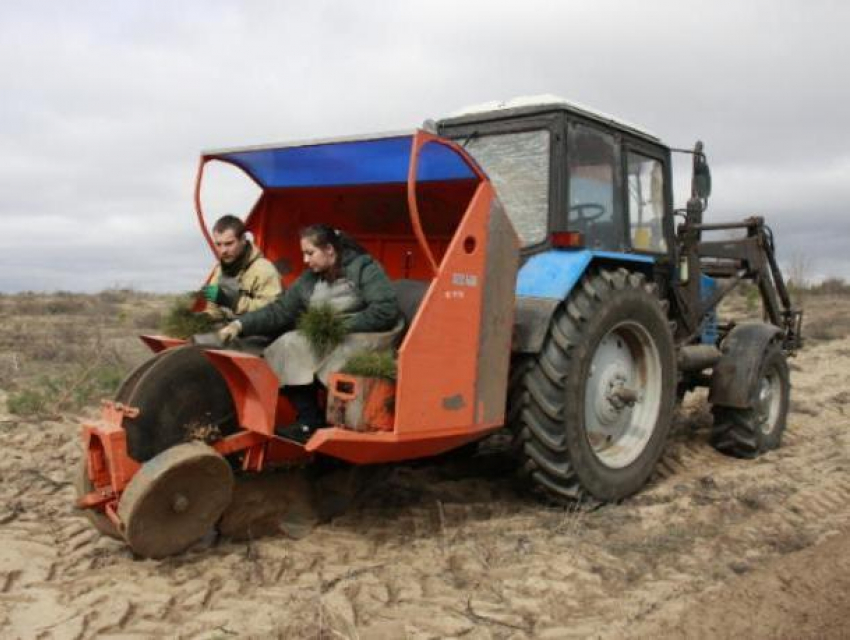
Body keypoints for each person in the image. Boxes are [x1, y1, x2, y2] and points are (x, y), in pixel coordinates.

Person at [218, 224, 402, 443]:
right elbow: (281, 310)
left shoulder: (364, 268)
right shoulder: (310, 279)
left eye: (310, 253)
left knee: (326, 350)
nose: (305, 260)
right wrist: (240, 325)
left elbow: (385, 310)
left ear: (329, 250)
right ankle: (310, 420)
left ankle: (335, 422)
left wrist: (340, 327)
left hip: (369, 335)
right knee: (288, 344)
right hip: (330, 334)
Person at [202, 215, 282, 321]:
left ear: (243, 240)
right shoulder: (219, 271)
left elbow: (273, 312)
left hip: (260, 332)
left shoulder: (264, 270)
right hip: (230, 328)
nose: (223, 251)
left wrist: (232, 302)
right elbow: (214, 312)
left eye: (229, 244)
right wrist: (201, 318)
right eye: (218, 244)